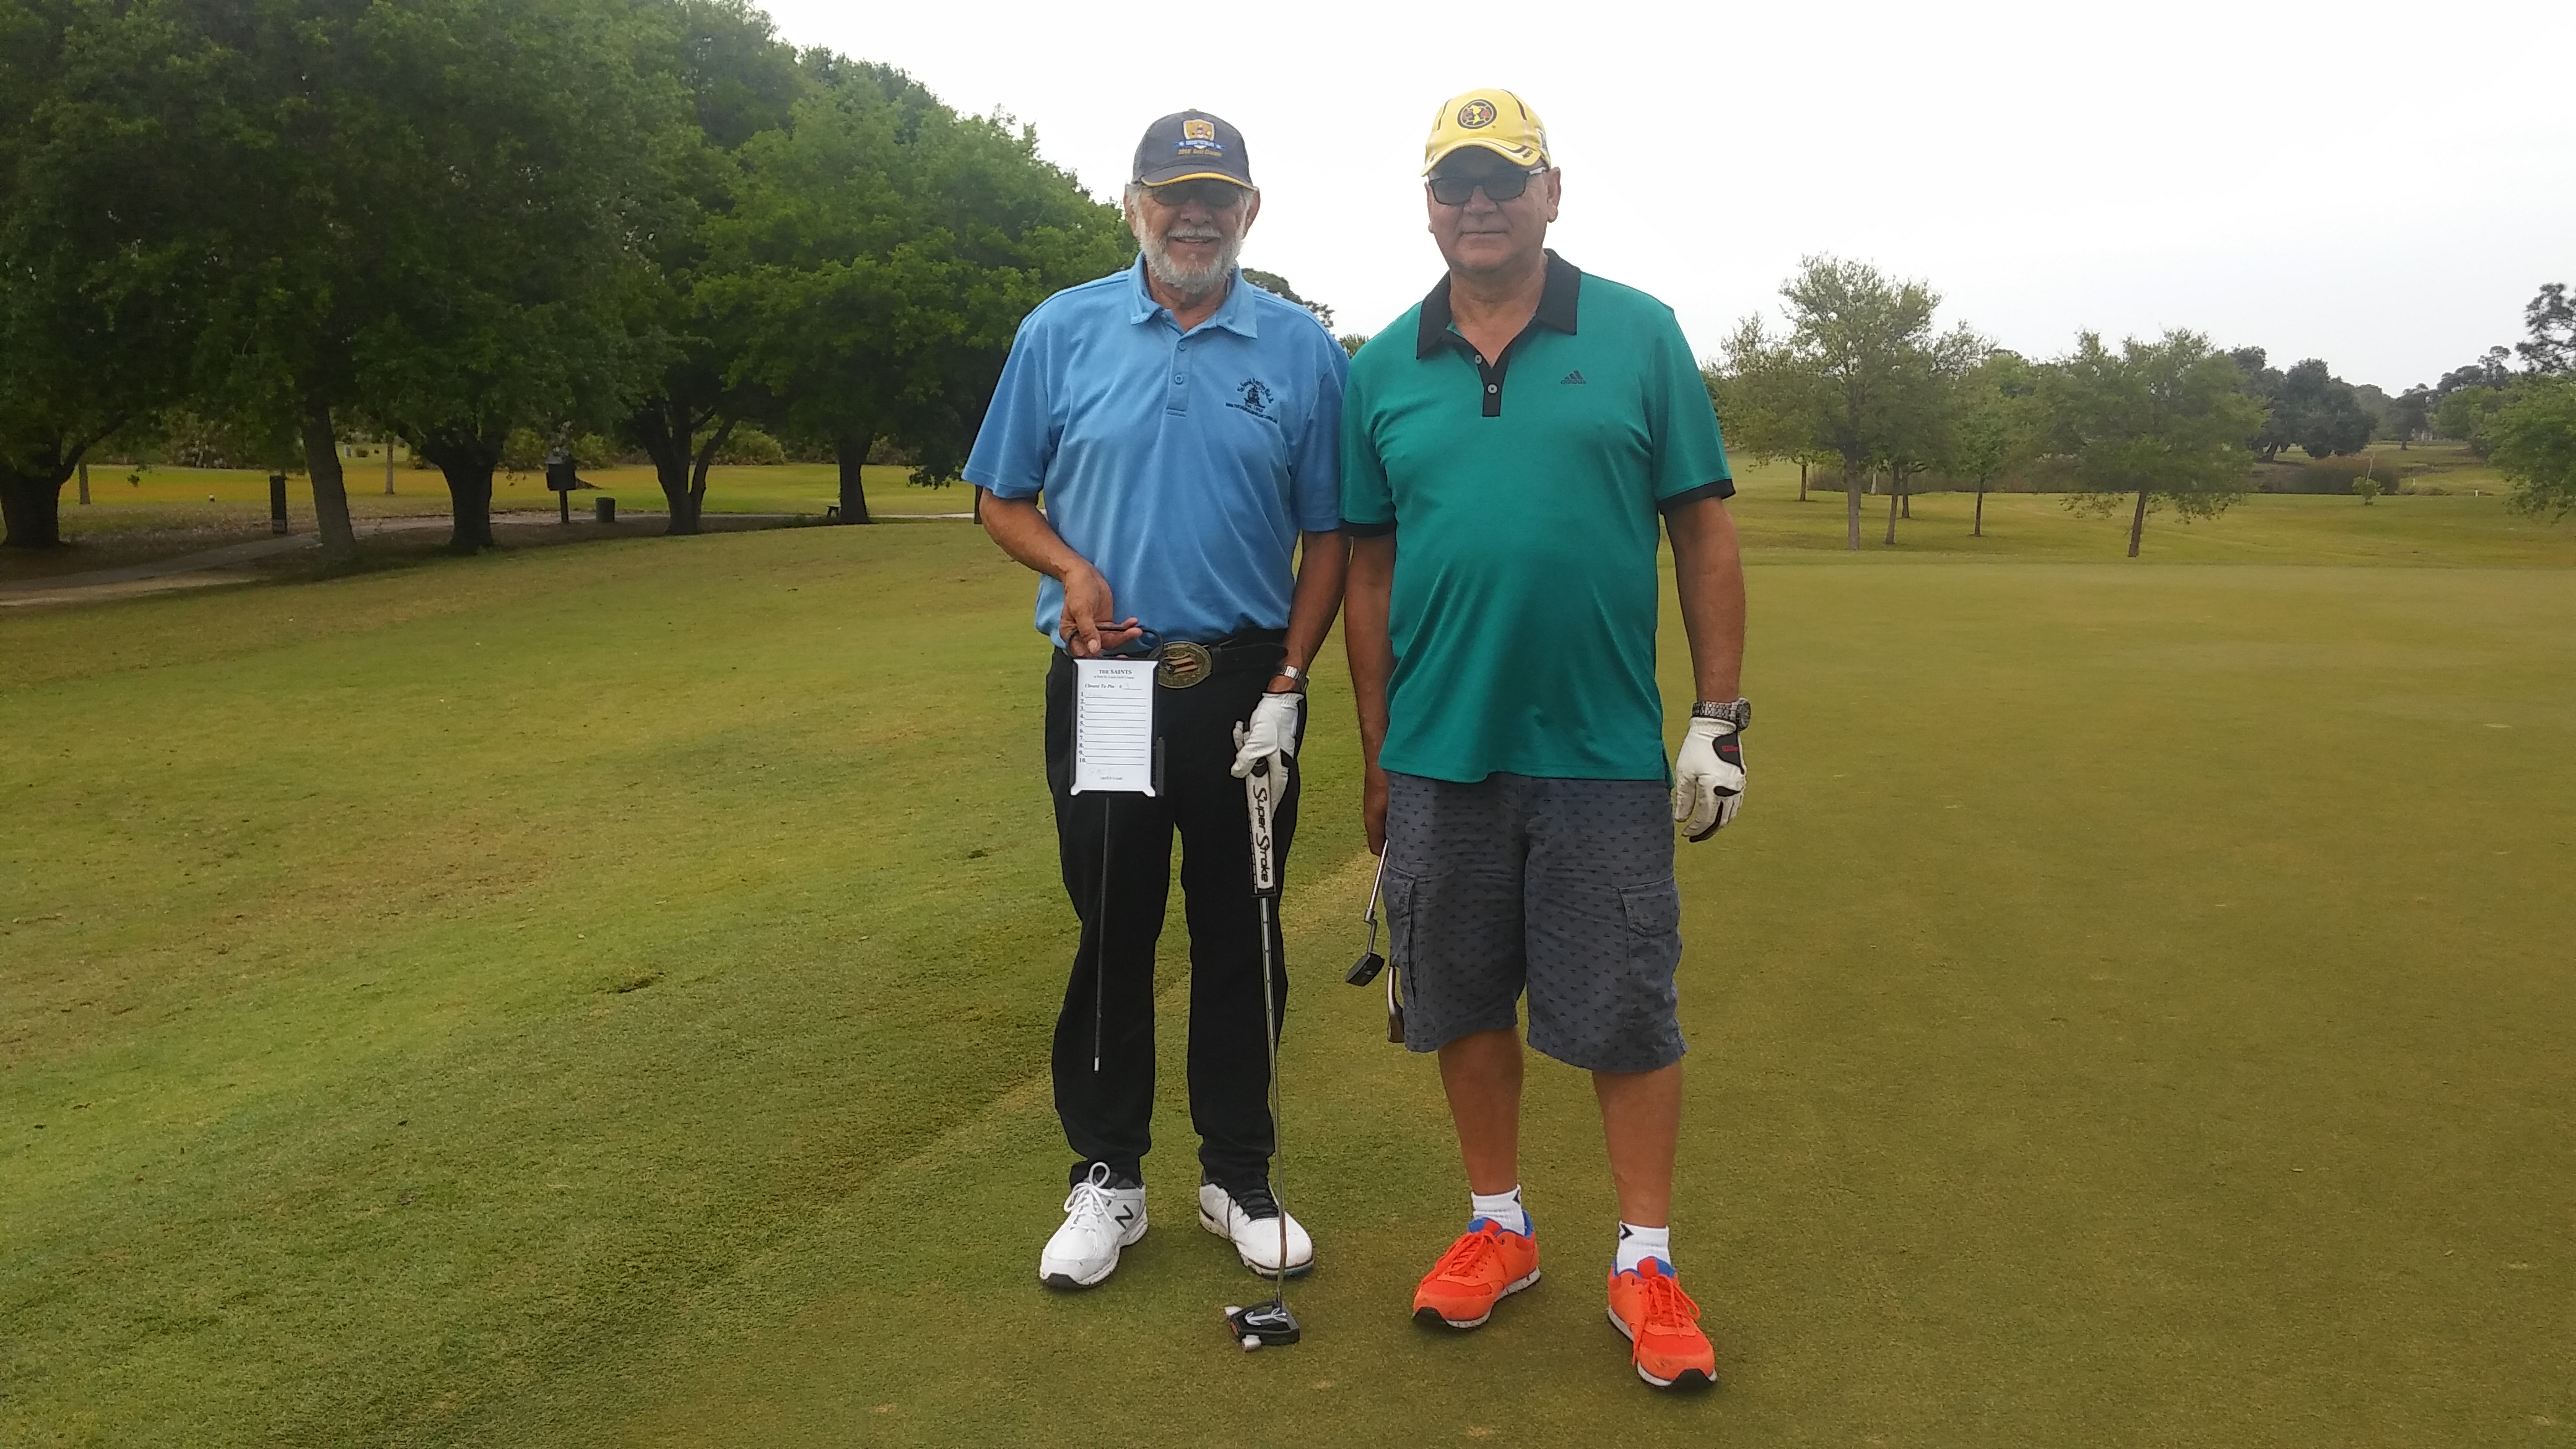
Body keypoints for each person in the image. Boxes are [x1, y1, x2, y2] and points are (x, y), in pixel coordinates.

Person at [1339, 88, 1749, 1390]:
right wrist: (1377, 748)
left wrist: (1718, 718)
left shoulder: (1638, 333)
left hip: (1599, 746)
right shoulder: (1381, 365)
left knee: (1625, 1009)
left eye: (1501, 180)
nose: (1478, 204)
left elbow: (1703, 528)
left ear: (1550, 193)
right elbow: (1368, 570)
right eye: (1454, 184)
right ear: (1427, 206)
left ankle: (1645, 1259)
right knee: (1460, 998)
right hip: (1440, 748)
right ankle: (1499, 1227)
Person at [965, 110, 1350, 1292]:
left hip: (1244, 688)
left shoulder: (1302, 349)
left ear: (1250, 212)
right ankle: (1108, 1177)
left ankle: (1238, 1172)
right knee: (1113, 925)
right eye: (1173, 195)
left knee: (1245, 930)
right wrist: (1069, 569)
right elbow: (1000, 496)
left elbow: (1331, 535)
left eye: (1216, 197)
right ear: (1134, 205)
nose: (1194, 216)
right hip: (1107, 682)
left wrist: (1291, 679)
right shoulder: (1062, 329)